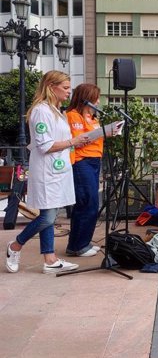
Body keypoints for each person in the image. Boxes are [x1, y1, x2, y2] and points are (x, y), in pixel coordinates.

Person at [6, 71, 88, 274]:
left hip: (57, 169)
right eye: (66, 88)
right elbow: (45, 145)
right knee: (48, 218)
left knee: (49, 214)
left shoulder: (56, 110)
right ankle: (15, 246)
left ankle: (50, 259)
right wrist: (73, 142)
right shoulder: (41, 111)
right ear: (51, 87)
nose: (70, 92)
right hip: (46, 171)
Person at [65, 83, 121, 257]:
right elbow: (78, 139)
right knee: (87, 201)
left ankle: (83, 242)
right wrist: (103, 132)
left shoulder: (94, 118)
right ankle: (76, 246)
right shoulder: (73, 116)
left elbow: (94, 136)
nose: (98, 101)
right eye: (95, 98)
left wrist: (108, 132)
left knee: (91, 202)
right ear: (86, 99)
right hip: (82, 161)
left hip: (95, 160)